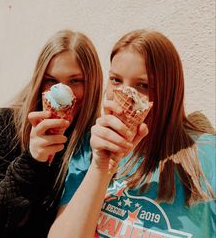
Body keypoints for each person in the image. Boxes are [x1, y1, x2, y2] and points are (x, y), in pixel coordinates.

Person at [48, 29, 216, 238]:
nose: (124, 93)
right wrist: (101, 167)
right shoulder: (90, 148)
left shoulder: (209, 156)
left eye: (143, 85)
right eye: (116, 80)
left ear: (170, 91)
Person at [0, 29, 103, 238]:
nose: (62, 92)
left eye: (75, 81)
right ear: (39, 81)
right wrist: (31, 162)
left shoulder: (91, 147)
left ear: (92, 85)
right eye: (51, 80)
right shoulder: (3, 125)